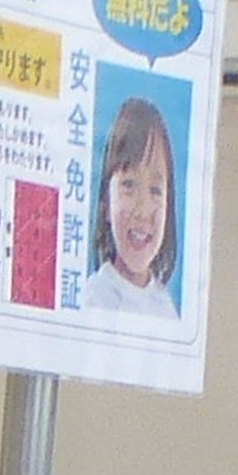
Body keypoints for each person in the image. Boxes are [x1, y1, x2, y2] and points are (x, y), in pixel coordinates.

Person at [85, 101, 179, 315]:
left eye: (155, 190)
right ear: (106, 204)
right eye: (128, 185)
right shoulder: (93, 297)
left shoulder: (166, 308)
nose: (142, 210)